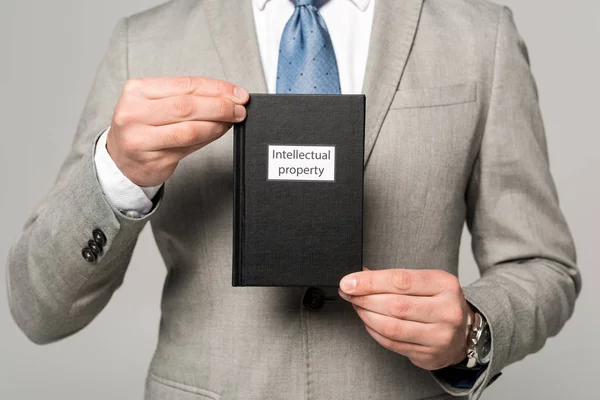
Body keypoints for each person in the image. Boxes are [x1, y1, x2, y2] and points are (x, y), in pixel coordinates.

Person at [6, 0, 581, 399]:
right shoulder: (145, 42)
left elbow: (542, 265)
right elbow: (40, 310)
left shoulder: (482, 37)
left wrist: (473, 331)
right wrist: (118, 172)